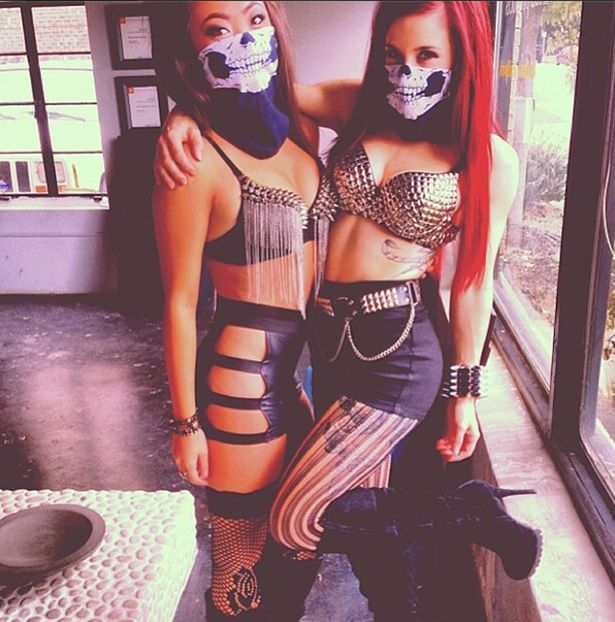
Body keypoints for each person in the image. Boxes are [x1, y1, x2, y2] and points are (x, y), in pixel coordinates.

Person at [155, 2, 543, 620]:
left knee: (295, 515)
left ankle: (465, 512)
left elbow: (471, 286)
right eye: (393, 55)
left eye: (427, 56)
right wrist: (181, 114)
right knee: (362, 535)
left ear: (465, 59)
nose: (406, 73)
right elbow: (253, 87)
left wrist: (464, 394)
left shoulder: (489, 158)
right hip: (329, 347)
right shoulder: (356, 105)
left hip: (400, 348)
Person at [150, 2, 337, 620]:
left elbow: (378, 102)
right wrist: (185, 424)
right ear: (190, 53)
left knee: (298, 546)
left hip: (296, 374)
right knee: (241, 567)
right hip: (239, 384)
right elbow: (180, 302)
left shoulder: (298, 130)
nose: (244, 38)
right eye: (217, 29)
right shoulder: (193, 162)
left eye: (255, 19)